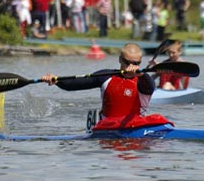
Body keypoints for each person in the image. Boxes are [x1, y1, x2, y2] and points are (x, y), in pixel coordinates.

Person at [41, 43, 171, 130]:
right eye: (127, 62)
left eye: (136, 63)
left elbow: (150, 86)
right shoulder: (105, 76)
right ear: (120, 59)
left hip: (136, 128)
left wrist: (141, 74)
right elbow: (74, 85)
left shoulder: (143, 81)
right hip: (107, 128)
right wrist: (56, 80)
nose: (131, 67)